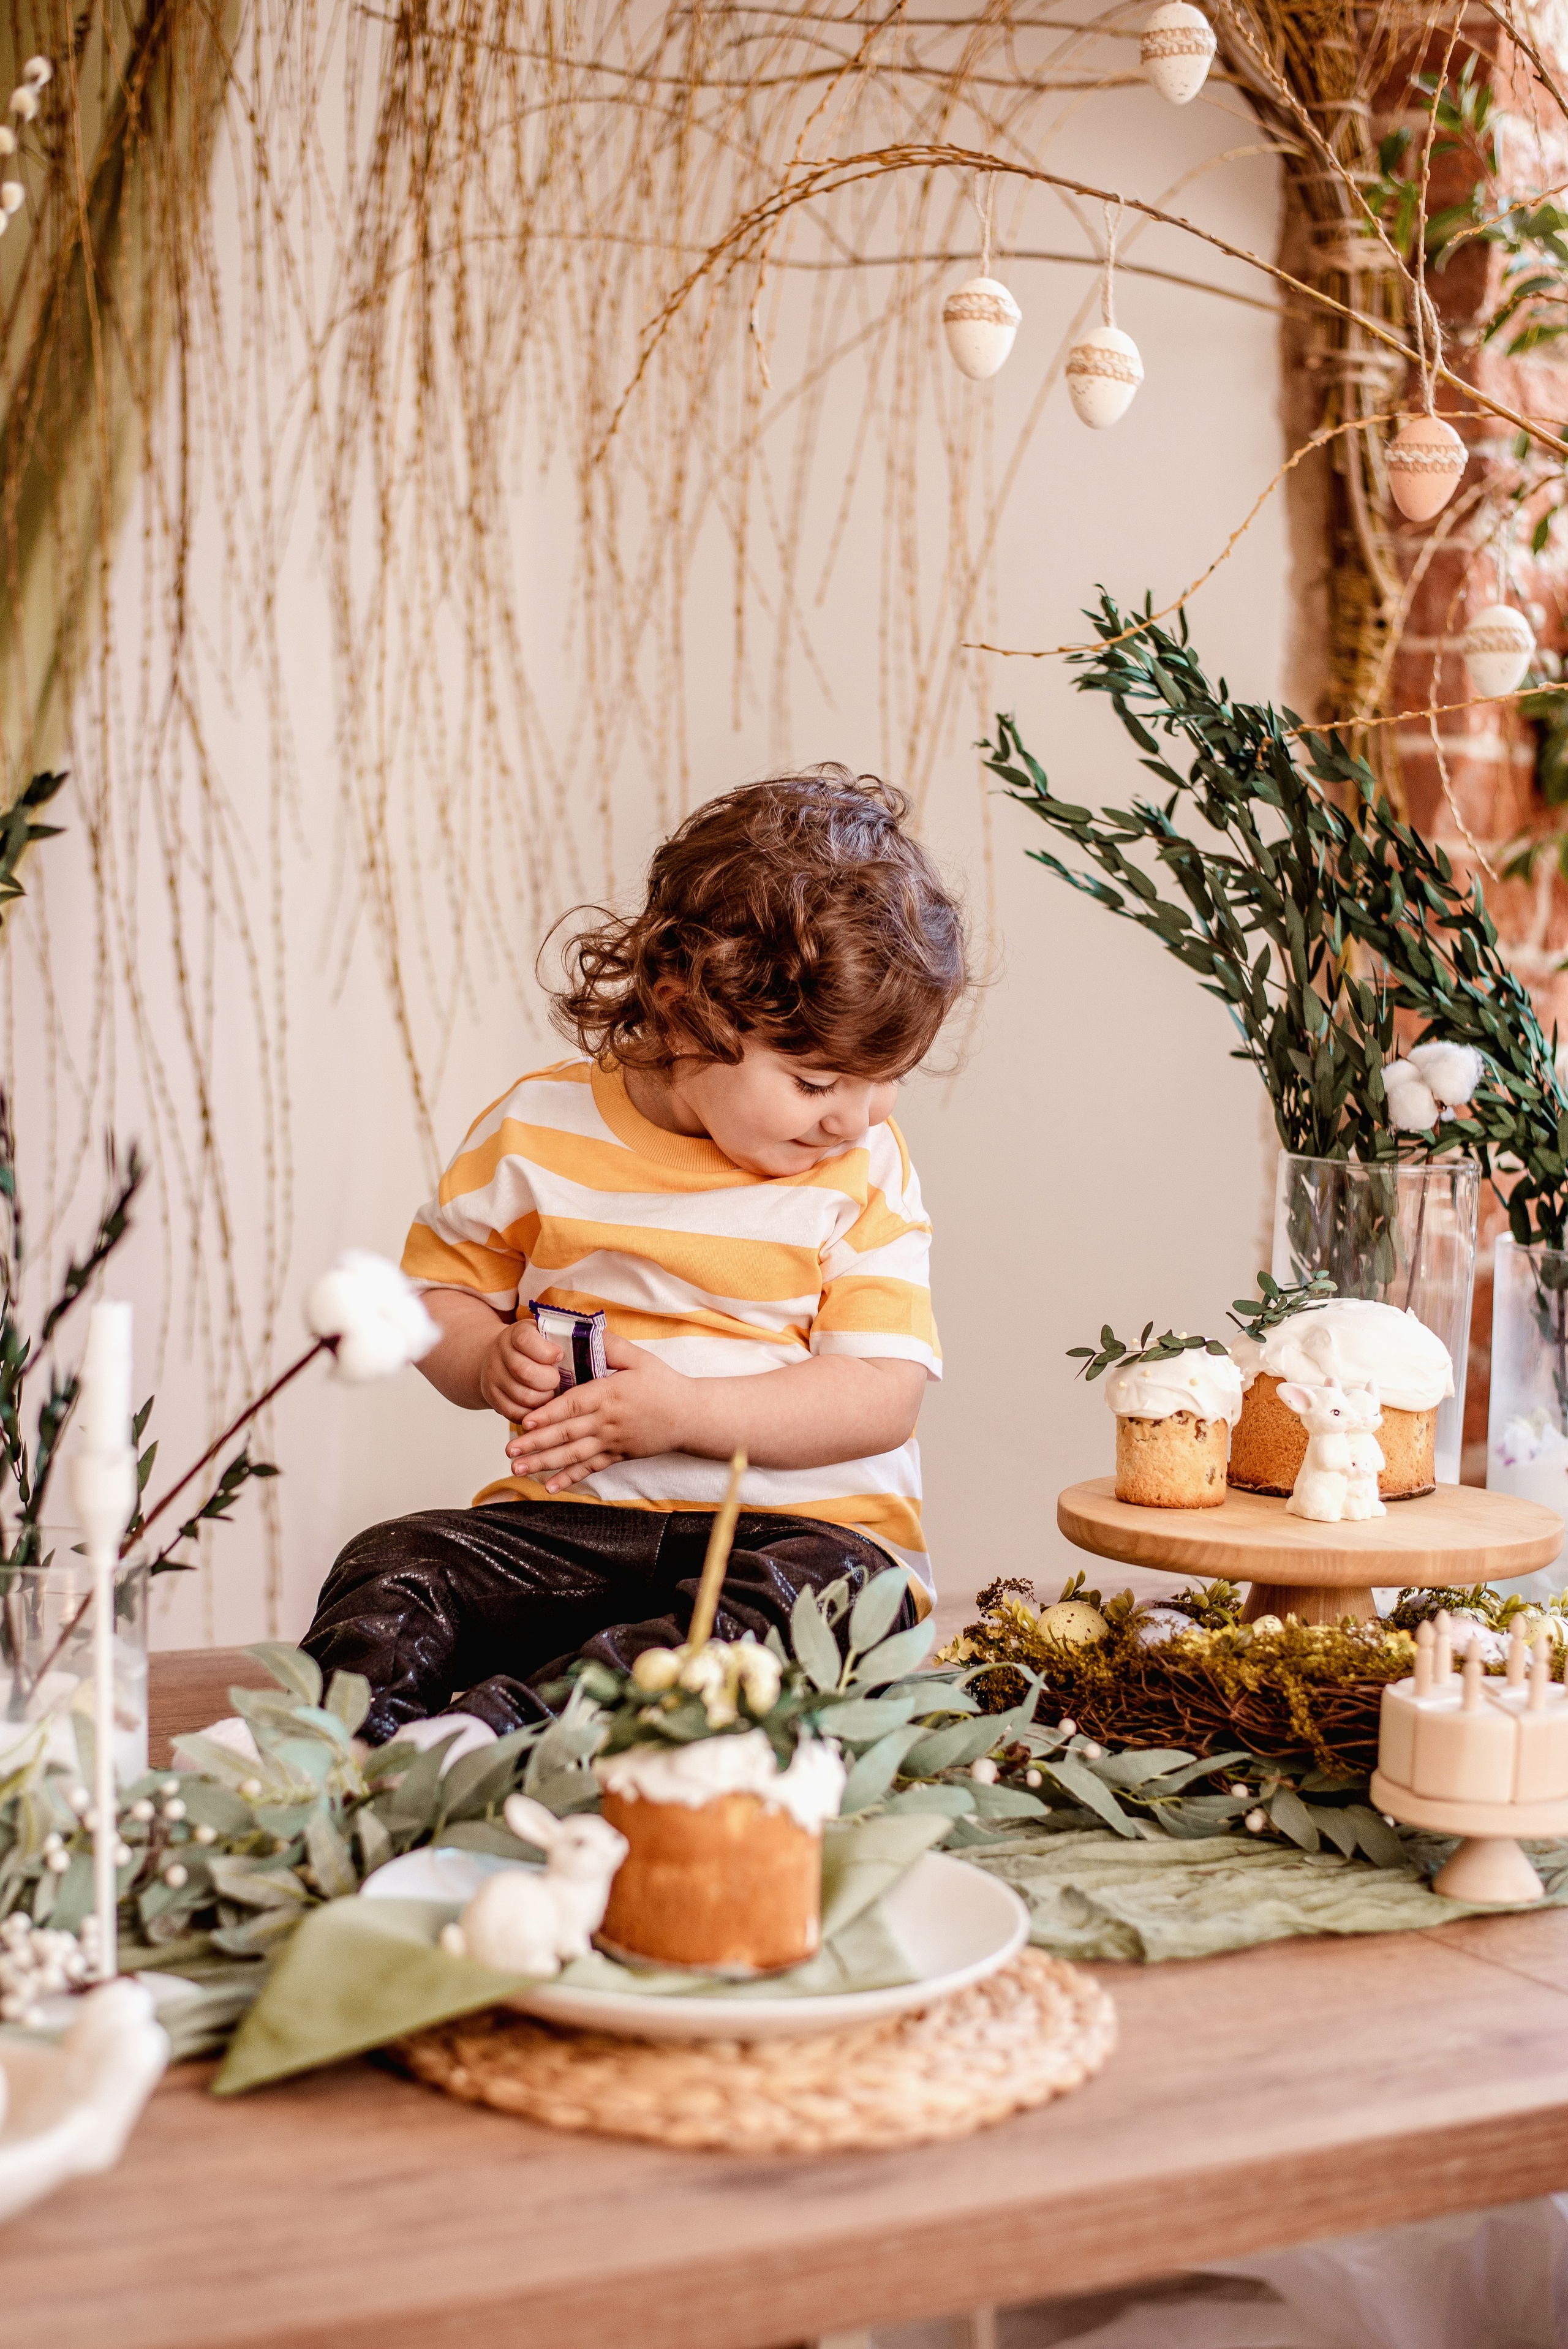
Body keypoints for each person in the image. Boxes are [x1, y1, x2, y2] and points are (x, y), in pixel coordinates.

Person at [303, 766, 968, 1740]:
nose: (855, 1116)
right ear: (682, 1002)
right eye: (817, 1078)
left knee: (838, 1604)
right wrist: (485, 1359)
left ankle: (504, 1733)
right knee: (392, 1559)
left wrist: (685, 1414)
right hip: (573, 1538)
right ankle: (345, 1749)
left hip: (790, 1545)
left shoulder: (863, 1170)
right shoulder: (536, 1129)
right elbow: (432, 1299)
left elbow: (881, 1395)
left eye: (884, 1082)